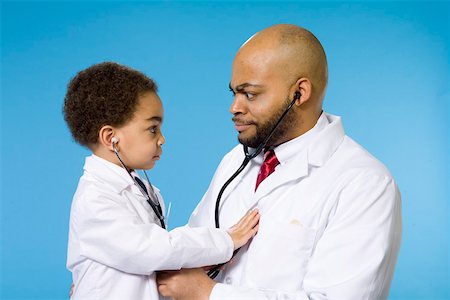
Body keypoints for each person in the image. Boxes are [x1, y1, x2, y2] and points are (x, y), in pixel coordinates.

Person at [156, 24, 402, 299]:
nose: (234, 108)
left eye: (250, 94)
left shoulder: (365, 183)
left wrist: (210, 294)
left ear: (300, 93)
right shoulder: (235, 160)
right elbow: (193, 253)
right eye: (234, 93)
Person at [64, 62, 259, 300]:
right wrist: (226, 240)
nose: (162, 139)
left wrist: (200, 263)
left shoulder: (137, 187)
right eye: (152, 129)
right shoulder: (94, 199)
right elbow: (151, 250)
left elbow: (152, 265)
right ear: (111, 138)